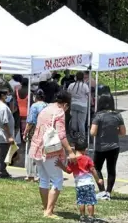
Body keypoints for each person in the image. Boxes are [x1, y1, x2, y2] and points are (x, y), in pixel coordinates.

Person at [29, 90, 76, 219]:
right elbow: (61, 135)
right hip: (51, 150)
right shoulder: (60, 112)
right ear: (65, 104)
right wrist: (70, 151)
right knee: (57, 180)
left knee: (44, 179)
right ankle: (49, 211)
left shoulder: (46, 108)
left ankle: (46, 208)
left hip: (37, 147)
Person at [55, 141, 103, 223]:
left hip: (79, 185)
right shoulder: (87, 158)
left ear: (75, 148)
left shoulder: (73, 160)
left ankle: (82, 217)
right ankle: (91, 217)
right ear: (85, 149)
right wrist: (98, 179)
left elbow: (68, 171)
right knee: (90, 201)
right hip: (88, 184)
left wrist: (61, 165)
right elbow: (92, 169)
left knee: (81, 201)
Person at [90, 93, 126, 200]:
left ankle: (102, 190)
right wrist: (114, 132)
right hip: (114, 146)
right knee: (111, 169)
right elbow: (123, 132)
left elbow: (93, 132)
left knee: (96, 168)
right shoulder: (117, 115)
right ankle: (109, 191)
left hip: (101, 147)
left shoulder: (98, 116)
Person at [23, 89, 47, 182]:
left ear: (35, 97)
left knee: (32, 152)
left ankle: (31, 174)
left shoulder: (34, 106)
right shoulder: (46, 105)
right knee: (41, 152)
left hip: (34, 131)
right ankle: (40, 174)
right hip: (44, 131)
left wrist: (25, 132)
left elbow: (31, 121)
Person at [0, 87, 15, 179]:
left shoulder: (0, 105)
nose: (9, 96)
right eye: (7, 94)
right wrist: (9, 136)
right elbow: (5, 122)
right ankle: (2, 172)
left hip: (2, 135)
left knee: (4, 154)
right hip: (4, 135)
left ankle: (3, 170)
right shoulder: (2, 107)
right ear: (2, 95)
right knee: (4, 154)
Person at [67, 72, 89, 141]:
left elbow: (68, 94)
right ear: (82, 77)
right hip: (83, 105)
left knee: (74, 122)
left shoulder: (71, 85)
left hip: (73, 104)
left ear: (76, 77)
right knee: (81, 123)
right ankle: (82, 138)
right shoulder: (85, 85)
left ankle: (74, 137)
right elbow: (88, 95)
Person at [16, 78, 31, 142]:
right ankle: (26, 139)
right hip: (27, 112)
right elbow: (31, 103)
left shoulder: (16, 91)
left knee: (19, 127)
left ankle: (21, 140)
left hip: (18, 112)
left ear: (21, 83)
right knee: (26, 127)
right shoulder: (29, 92)